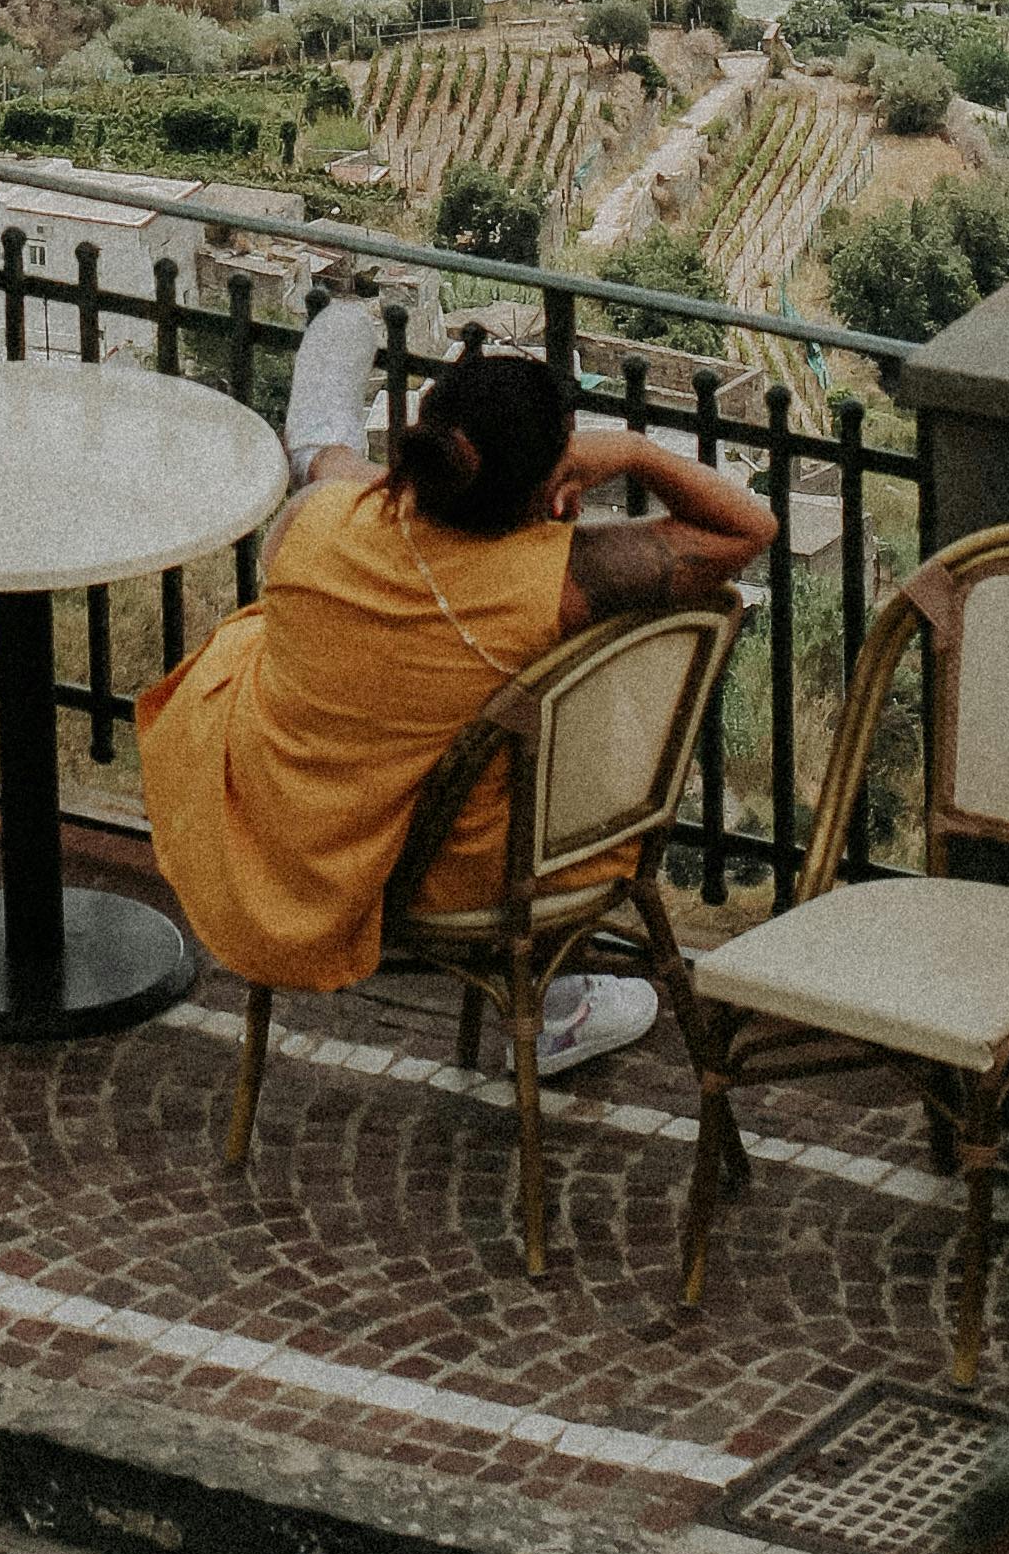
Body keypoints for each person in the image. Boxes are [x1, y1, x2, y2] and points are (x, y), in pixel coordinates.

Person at [139, 341, 772, 1077]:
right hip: (470, 869)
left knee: (265, 618)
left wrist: (363, 475)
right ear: (549, 482)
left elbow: (348, 496)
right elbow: (750, 530)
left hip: (290, 841)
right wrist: (634, 451)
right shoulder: (561, 586)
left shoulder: (317, 528)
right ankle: (554, 998)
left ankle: (316, 434)